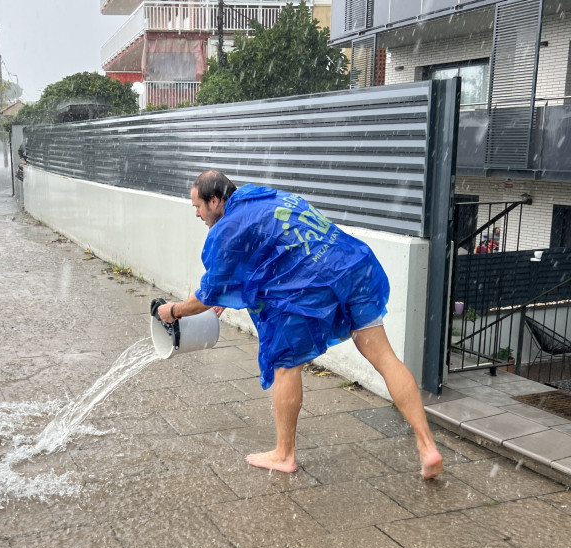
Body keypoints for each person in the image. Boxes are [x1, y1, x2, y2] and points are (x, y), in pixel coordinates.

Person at [156, 170, 444, 480]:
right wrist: (227, 297)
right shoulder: (262, 196)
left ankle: (284, 454)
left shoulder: (228, 228)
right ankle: (427, 447)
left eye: (198, 206)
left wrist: (173, 311)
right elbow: (268, 249)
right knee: (385, 359)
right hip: (352, 265)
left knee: (285, 365)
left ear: (215, 201)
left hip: (314, 284)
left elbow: (207, 292)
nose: (197, 213)